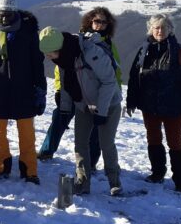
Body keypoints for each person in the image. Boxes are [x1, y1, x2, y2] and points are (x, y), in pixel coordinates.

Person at [39, 26, 123, 196]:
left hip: (109, 104)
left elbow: (109, 82)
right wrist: (64, 108)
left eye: (50, 53)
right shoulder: (62, 60)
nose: (48, 57)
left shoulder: (91, 52)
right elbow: (66, 86)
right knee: (80, 145)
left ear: (59, 48)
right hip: (83, 105)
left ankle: (114, 182)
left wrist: (101, 111)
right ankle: (82, 182)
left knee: (106, 144)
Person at [126, 14, 181, 195]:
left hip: (174, 106)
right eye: (156, 28)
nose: (160, 31)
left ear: (170, 29)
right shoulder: (144, 50)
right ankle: (157, 173)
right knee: (153, 140)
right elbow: (134, 79)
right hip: (149, 106)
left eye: (163, 28)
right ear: (151, 29)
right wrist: (131, 101)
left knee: (175, 143)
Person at [0, 0, 45, 183]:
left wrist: (40, 91)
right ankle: (1, 166)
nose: (5, 17)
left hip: (24, 89)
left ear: (15, 12)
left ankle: (29, 170)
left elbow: (36, 63)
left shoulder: (29, 33)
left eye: (8, 13)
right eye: (1, 13)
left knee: (27, 134)